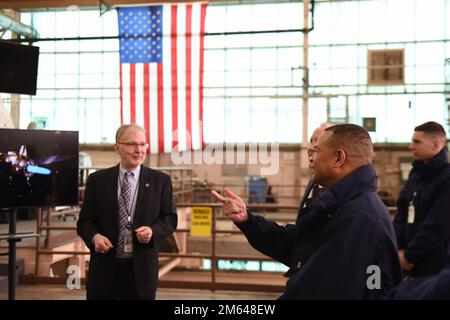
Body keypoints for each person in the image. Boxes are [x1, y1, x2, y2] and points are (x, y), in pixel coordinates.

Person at [212, 124, 402, 299]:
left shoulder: (358, 217)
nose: (311, 155)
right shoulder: (339, 205)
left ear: (339, 158)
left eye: (317, 149)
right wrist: (248, 220)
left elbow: (317, 287)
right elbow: (300, 246)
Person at [77, 124, 177, 300]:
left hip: (141, 274)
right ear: (117, 147)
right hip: (104, 272)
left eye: (143, 144)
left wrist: (153, 231)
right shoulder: (97, 180)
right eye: (132, 144)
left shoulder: (160, 181)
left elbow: (169, 219)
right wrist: (95, 237)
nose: (139, 150)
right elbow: (85, 222)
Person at [393, 121, 450, 278]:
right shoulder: (416, 174)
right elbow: (402, 211)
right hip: (405, 259)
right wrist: (396, 248)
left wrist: (411, 255)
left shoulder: (446, 179)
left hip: (434, 265)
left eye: (417, 142)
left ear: (436, 145)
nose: (411, 146)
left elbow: (437, 224)